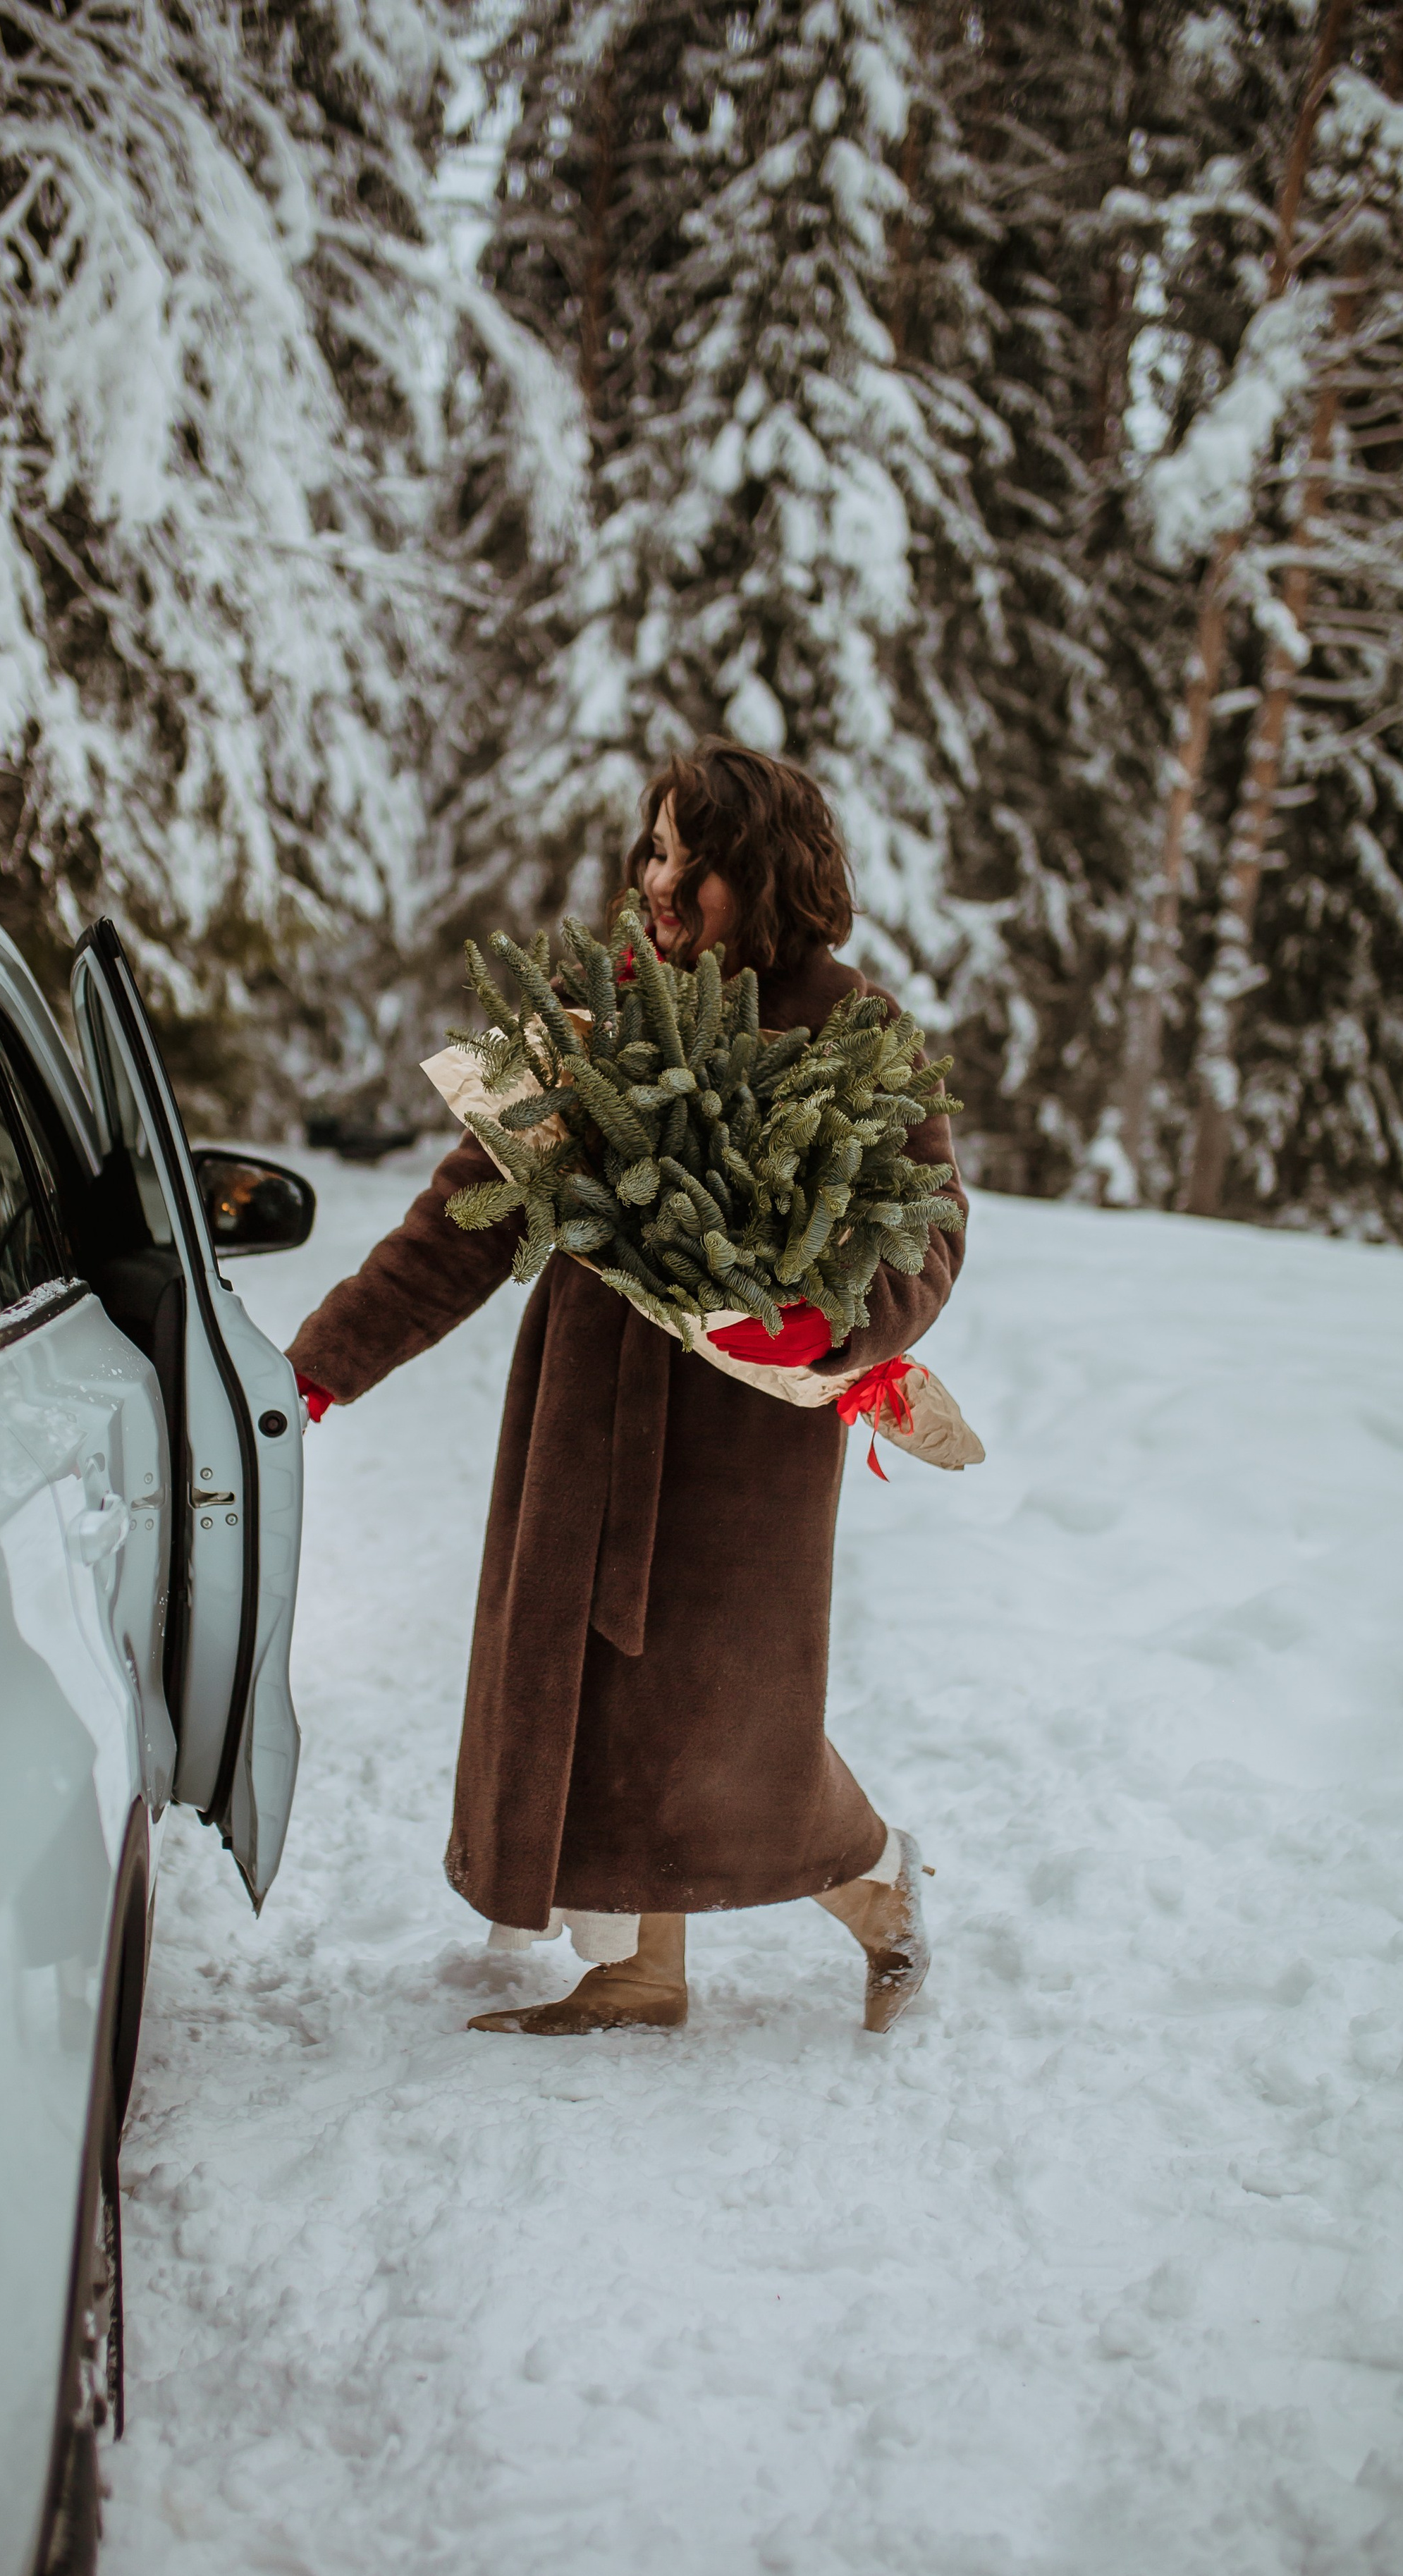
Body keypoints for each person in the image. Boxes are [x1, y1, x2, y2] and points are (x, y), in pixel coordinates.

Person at [286, 741, 967, 2037]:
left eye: (682, 856)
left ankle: (881, 1884)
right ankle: (642, 1967)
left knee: (728, 1713)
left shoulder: (854, 1024)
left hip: (746, 1437)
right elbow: (463, 1214)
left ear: (757, 871)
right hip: (589, 1409)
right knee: (592, 1692)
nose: (654, 878)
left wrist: (829, 1323)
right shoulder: (602, 1011)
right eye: (649, 849)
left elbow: (927, 1224)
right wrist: (326, 1361)